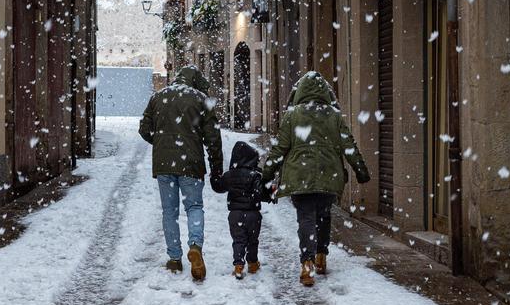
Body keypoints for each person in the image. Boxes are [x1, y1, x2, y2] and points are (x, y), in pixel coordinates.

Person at [261, 71, 370, 287]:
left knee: (306, 219)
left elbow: (280, 148)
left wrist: (266, 174)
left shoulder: (293, 115)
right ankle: (321, 255)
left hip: (300, 176)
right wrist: (361, 171)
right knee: (323, 216)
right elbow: (349, 146)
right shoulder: (334, 115)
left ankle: (307, 262)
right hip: (329, 176)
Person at [139, 65, 223, 281]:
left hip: (164, 164)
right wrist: (216, 169)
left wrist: (160, 142)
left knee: (169, 211)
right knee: (194, 207)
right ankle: (195, 246)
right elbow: (213, 138)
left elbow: (144, 129)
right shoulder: (200, 99)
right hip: (191, 163)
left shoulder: (158, 97)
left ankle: (174, 258)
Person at [210, 141, 271, 280]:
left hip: (235, 214)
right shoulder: (254, 175)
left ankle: (238, 265)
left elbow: (218, 187)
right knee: (253, 240)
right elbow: (260, 193)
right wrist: (270, 192)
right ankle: (253, 263)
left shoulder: (229, 175)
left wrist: (214, 175)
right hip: (253, 214)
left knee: (238, 240)